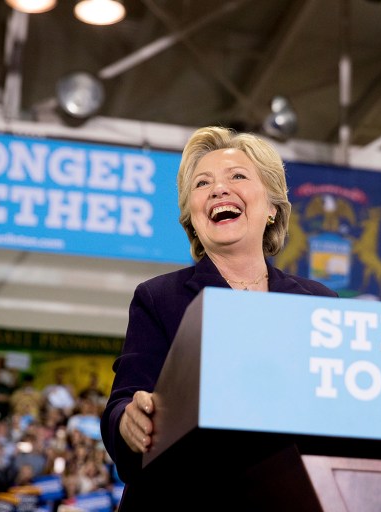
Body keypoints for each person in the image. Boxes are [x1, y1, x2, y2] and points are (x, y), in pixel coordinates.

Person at [100, 126, 337, 509]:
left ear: (273, 207)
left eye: (238, 176)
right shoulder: (158, 298)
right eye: (202, 183)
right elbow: (124, 402)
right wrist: (127, 422)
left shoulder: (320, 304)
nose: (218, 190)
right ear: (192, 217)